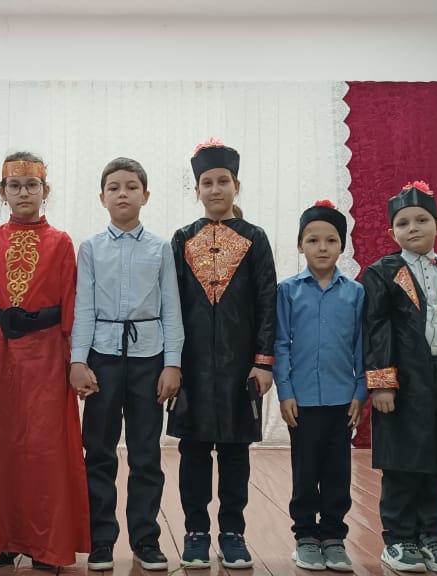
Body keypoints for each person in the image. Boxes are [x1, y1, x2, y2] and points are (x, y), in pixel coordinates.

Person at [0, 151, 90, 568]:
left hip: (47, 353)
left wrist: (75, 363)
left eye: (32, 185)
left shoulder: (62, 242)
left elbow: (72, 307)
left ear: (45, 190)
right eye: (14, 186)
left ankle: (46, 544)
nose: (24, 193)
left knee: (44, 448)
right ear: (3, 192)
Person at [361, 181, 437, 573]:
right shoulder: (382, 272)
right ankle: (398, 539)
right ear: (391, 232)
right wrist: (382, 383)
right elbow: (376, 328)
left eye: (421, 220)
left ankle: (431, 536)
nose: (412, 228)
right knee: (403, 461)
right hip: (404, 379)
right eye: (403, 223)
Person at [168, 139, 277, 570]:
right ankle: (195, 532)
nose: (215, 189)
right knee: (193, 452)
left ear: (237, 185)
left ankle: (233, 532)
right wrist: (172, 364)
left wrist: (263, 362)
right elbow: (171, 305)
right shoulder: (183, 239)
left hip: (239, 368)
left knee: (235, 452)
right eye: (207, 182)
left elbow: (267, 301)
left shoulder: (255, 239)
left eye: (223, 181)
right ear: (197, 189)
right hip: (192, 367)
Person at [72, 157, 183, 571]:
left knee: (145, 452)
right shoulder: (90, 248)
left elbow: (171, 308)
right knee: (99, 450)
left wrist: (172, 364)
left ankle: (146, 539)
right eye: (114, 187)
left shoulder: (160, 248)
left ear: (146, 195)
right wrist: (78, 360)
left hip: (147, 358)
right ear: (102, 197)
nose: (123, 194)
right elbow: (84, 308)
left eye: (131, 187)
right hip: (101, 358)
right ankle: (101, 540)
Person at [274, 200, 366, 572]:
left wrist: (360, 392)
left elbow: (362, 346)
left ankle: (333, 537)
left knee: (337, 472)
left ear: (342, 245)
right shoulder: (287, 291)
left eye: (331, 240)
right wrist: (285, 392)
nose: (322, 247)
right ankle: (305, 538)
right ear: (300, 245)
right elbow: (281, 343)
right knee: (305, 470)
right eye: (313, 240)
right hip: (303, 401)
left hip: (343, 399)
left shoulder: (355, 293)